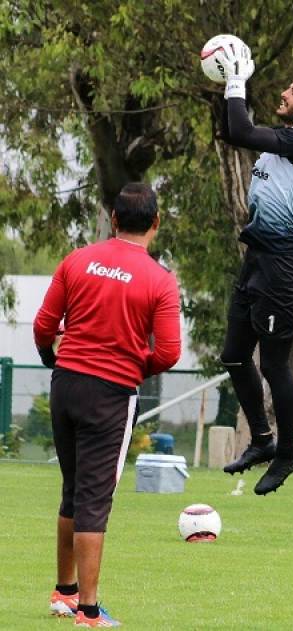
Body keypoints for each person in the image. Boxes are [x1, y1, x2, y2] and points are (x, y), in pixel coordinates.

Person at [33, 182, 181, 628]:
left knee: (73, 492)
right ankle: (90, 612)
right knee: (95, 501)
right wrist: (135, 368)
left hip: (66, 384)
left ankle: (65, 593)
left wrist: (54, 360)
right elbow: (169, 352)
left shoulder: (77, 260)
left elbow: (44, 325)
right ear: (155, 224)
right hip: (110, 394)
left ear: (113, 219)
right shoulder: (160, 279)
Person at [217, 44, 293, 495]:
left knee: (275, 368)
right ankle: (262, 442)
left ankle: (287, 453)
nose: (285, 93)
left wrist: (235, 79)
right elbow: (235, 130)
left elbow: (242, 131)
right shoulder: (290, 136)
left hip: (282, 269)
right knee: (233, 355)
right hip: (256, 263)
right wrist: (233, 87)